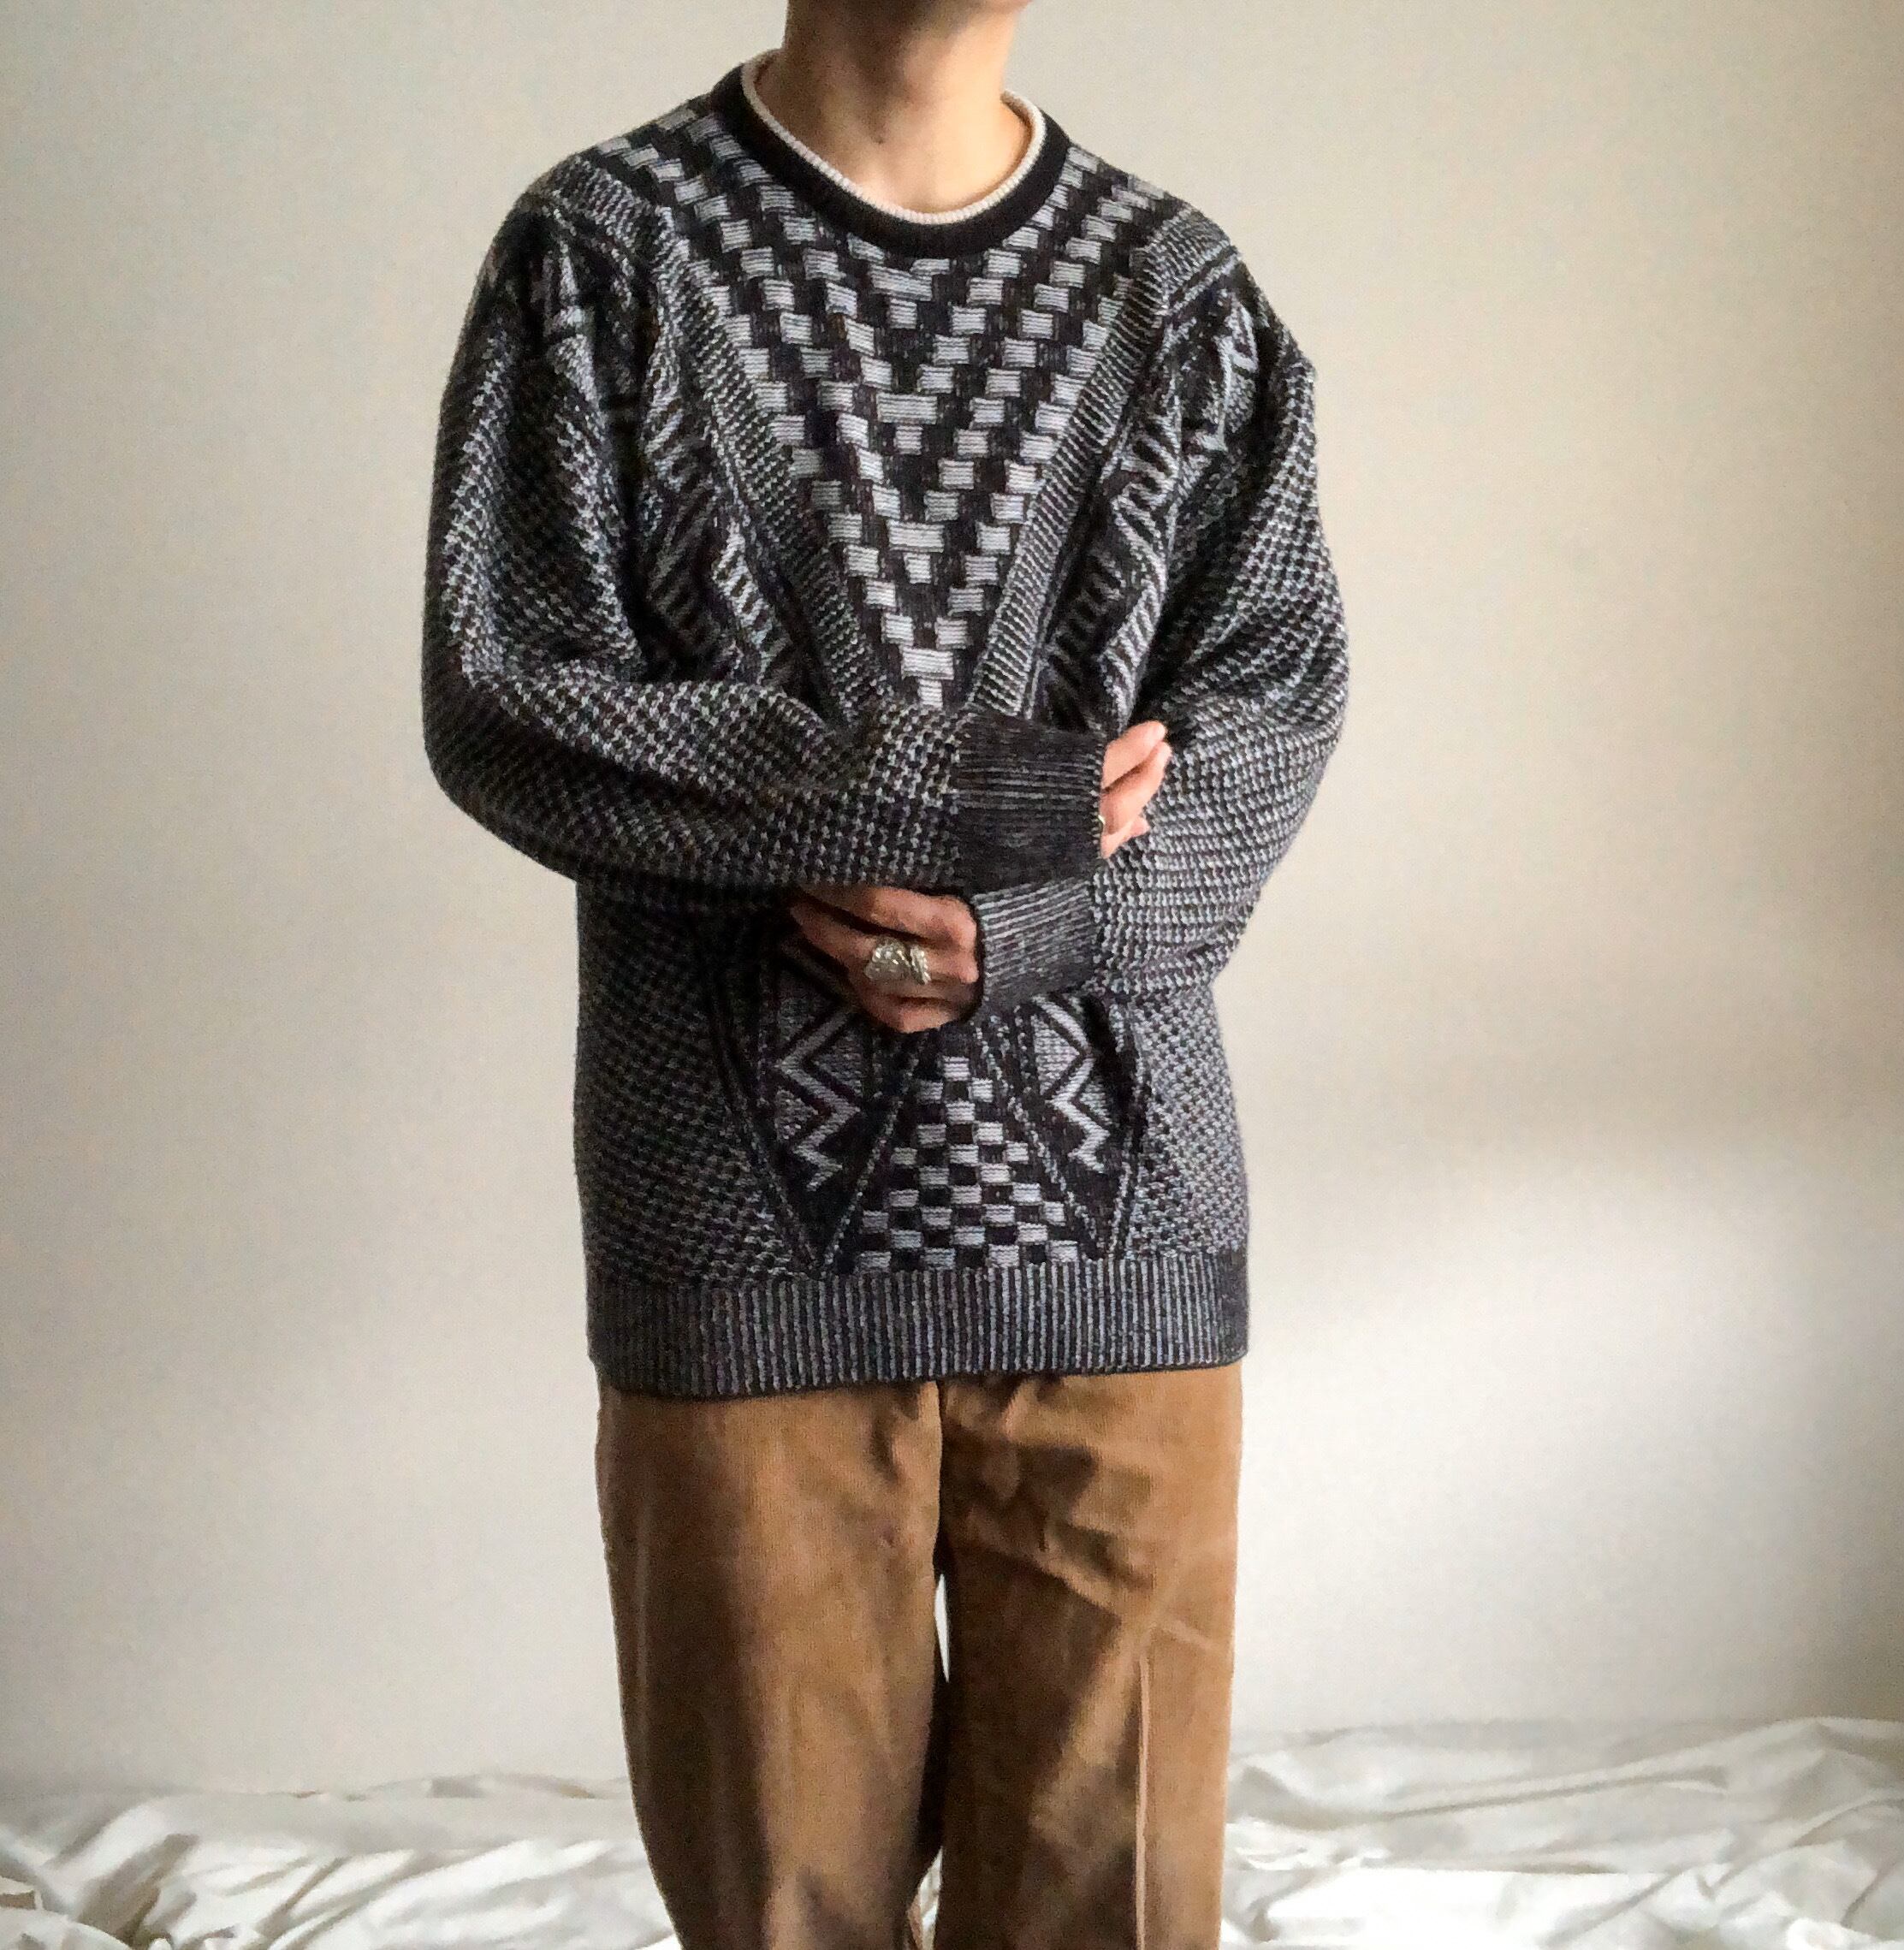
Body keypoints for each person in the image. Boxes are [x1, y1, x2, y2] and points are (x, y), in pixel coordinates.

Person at [420, 0, 1349, 1942]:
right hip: (737, 1254)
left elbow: (1269, 709)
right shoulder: (603, 252)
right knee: (785, 1907)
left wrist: (1038, 928)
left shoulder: (1178, 291)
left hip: (1121, 1244)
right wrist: (957, 791)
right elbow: (508, 696)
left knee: (1114, 1910)